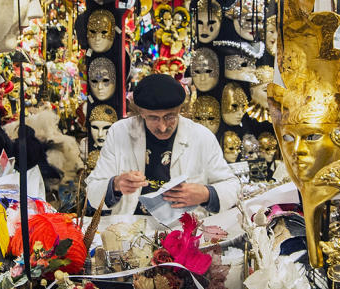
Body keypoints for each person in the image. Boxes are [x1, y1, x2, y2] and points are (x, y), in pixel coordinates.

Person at [86, 73, 238, 216]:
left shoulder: (201, 136)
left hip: (183, 229)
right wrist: (115, 185)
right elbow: (92, 190)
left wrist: (206, 194)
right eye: (153, 118)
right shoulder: (119, 133)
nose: (163, 127)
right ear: (141, 113)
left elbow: (232, 187)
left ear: (180, 110)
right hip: (130, 226)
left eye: (169, 116)